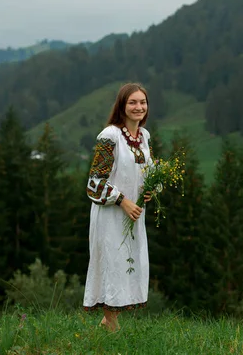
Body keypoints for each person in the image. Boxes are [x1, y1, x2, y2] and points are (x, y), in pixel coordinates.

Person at [82, 82, 154, 332]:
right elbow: (94, 183)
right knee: (112, 264)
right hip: (110, 214)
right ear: (122, 106)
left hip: (134, 216)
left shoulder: (144, 137)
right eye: (132, 102)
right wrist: (123, 200)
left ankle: (107, 322)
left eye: (142, 102)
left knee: (129, 264)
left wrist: (151, 191)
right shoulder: (110, 136)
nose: (138, 107)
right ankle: (111, 324)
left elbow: (148, 174)